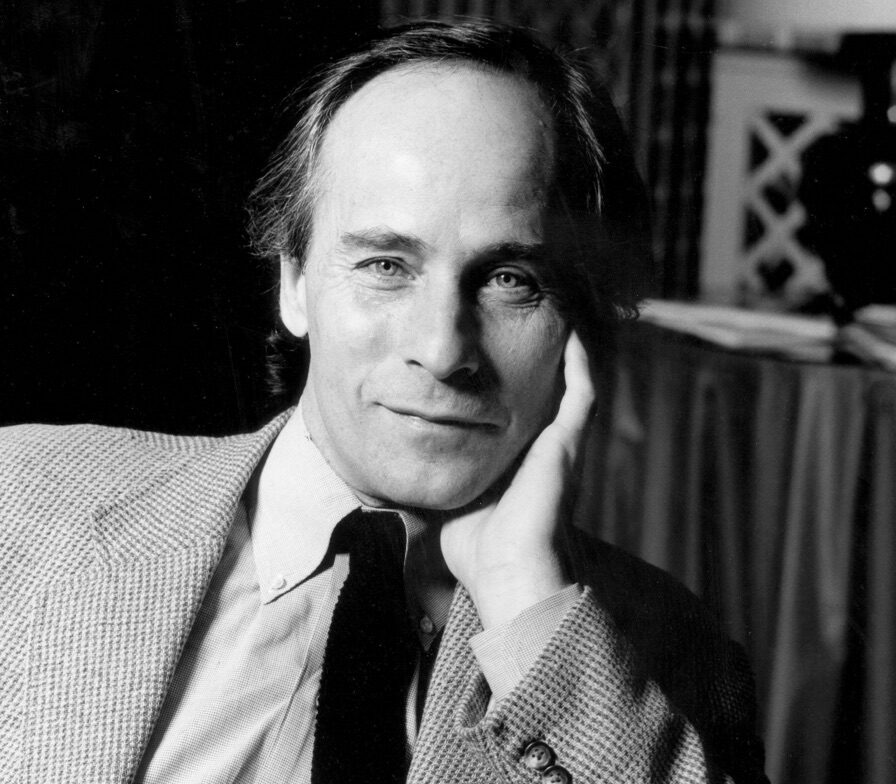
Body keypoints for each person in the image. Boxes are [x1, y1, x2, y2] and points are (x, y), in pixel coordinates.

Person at [0, 21, 768, 784]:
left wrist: (524, 598)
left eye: (511, 280)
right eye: (386, 265)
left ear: (583, 321)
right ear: (294, 283)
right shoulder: (19, 500)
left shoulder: (679, 660)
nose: (442, 350)